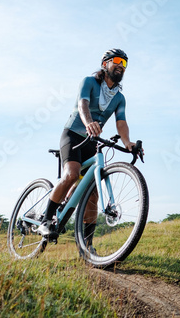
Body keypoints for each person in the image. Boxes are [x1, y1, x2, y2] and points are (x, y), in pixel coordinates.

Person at [38, 48, 137, 250]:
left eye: (124, 63)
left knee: (93, 194)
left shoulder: (119, 98)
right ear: (105, 64)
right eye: (116, 60)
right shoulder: (89, 82)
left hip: (93, 140)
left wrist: (128, 143)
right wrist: (89, 122)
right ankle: (46, 219)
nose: (120, 65)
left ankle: (88, 247)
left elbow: (121, 123)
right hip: (73, 135)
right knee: (72, 174)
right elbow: (82, 105)